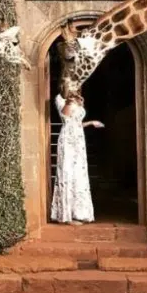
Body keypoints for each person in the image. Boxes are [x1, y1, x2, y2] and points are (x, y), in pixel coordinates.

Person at [50, 91, 104, 225]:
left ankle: (79, 212)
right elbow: (66, 118)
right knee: (67, 174)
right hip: (68, 140)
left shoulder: (75, 99)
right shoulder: (60, 99)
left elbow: (77, 123)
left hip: (78, 141)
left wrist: (91, 122)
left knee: (79, 174)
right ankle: (66, 215)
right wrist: (70, 101)